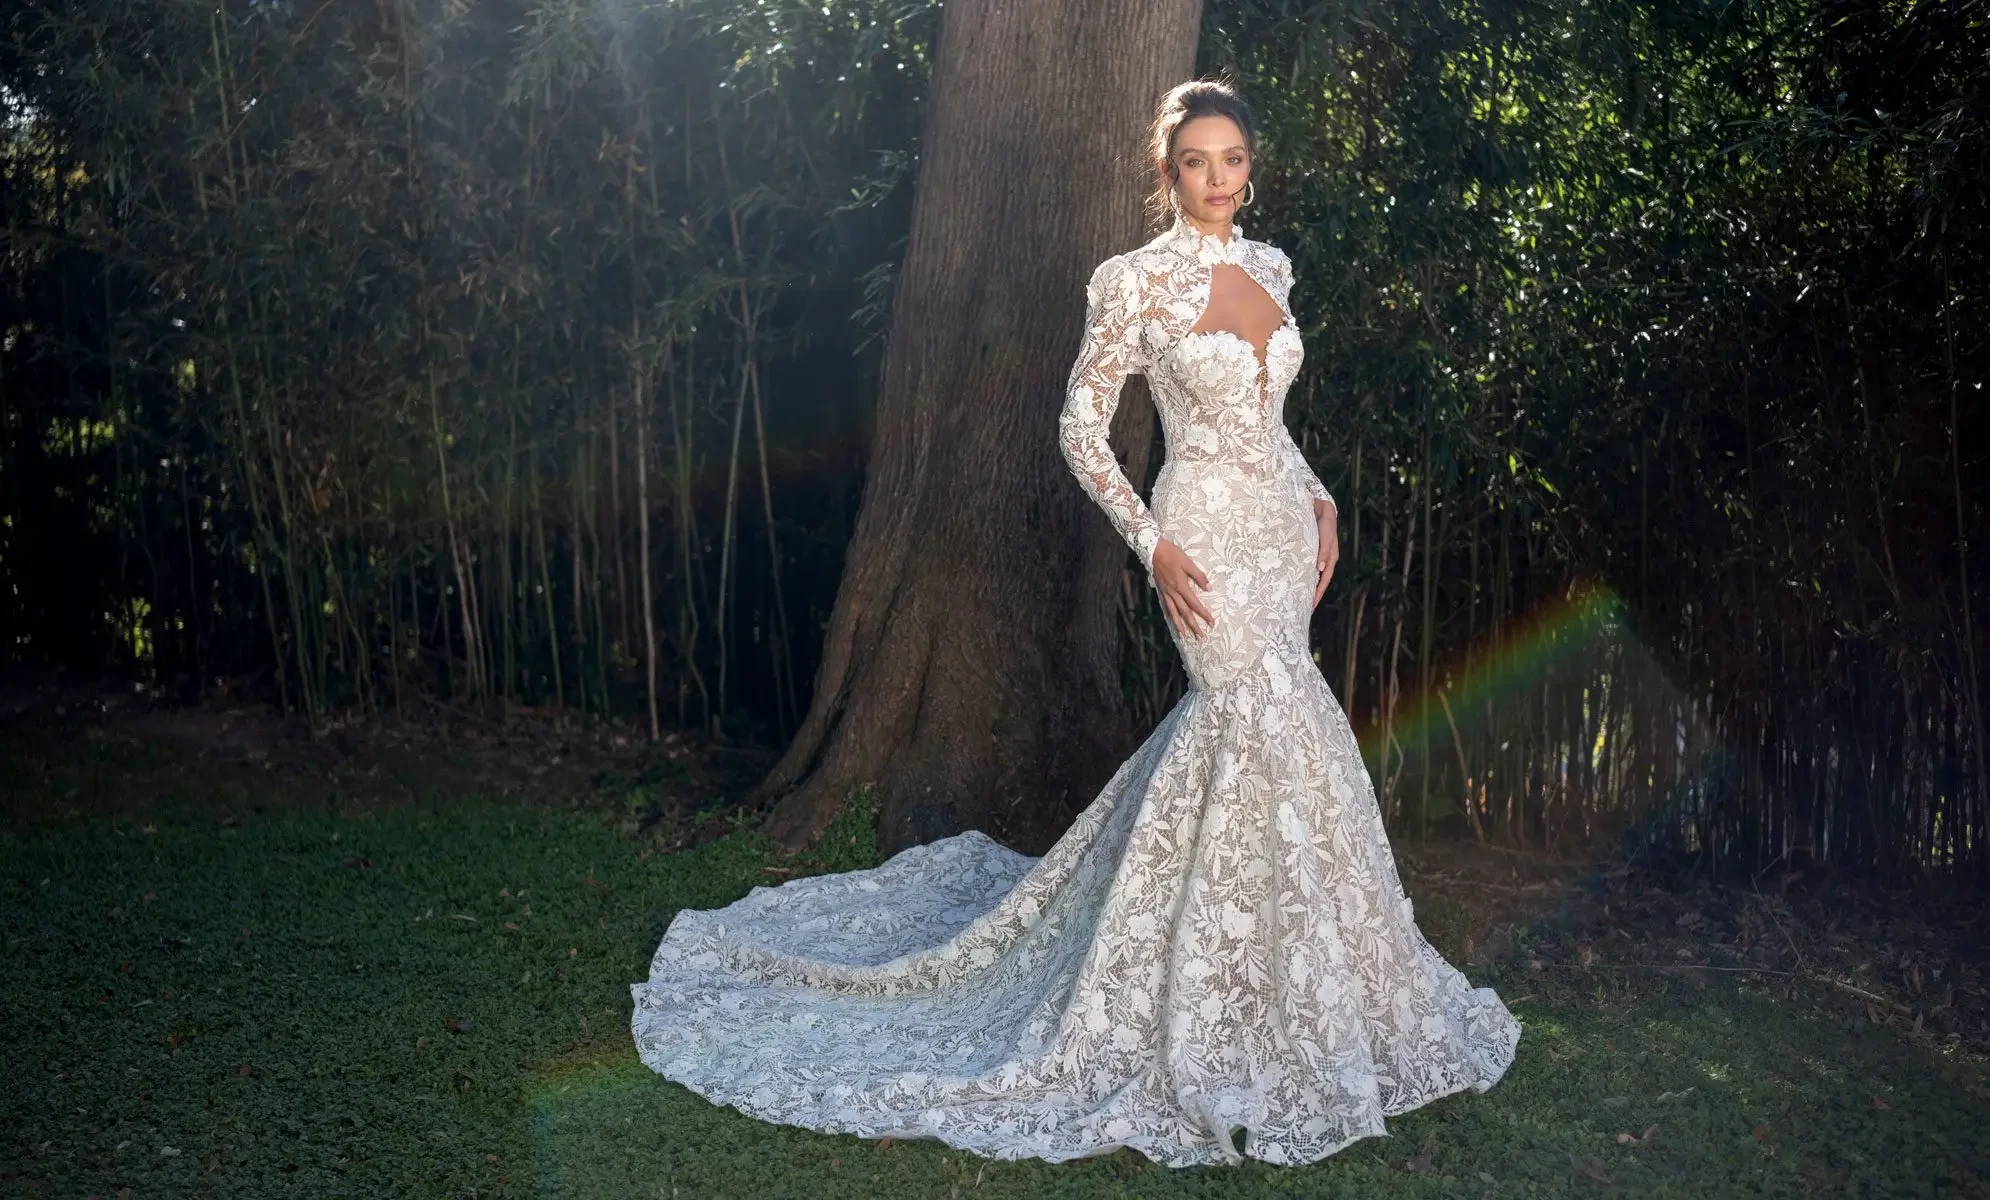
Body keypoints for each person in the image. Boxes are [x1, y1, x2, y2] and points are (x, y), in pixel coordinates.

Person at [630, 78, 1519, 1168]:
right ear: (1168, 172)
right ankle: (1197, 1001)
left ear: (1251, 167)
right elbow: (1080, 430)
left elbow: (1268, 422)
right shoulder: (1133, 280)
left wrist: (1323, 496)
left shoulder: (1274, 269)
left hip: (1285, 535)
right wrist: (1153, 546)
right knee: (1248, 718)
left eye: (1232, 159)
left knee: (1283, 735)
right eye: (1195, 162)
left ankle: (1290, 987)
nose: (1217, 179)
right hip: (1200, 537)